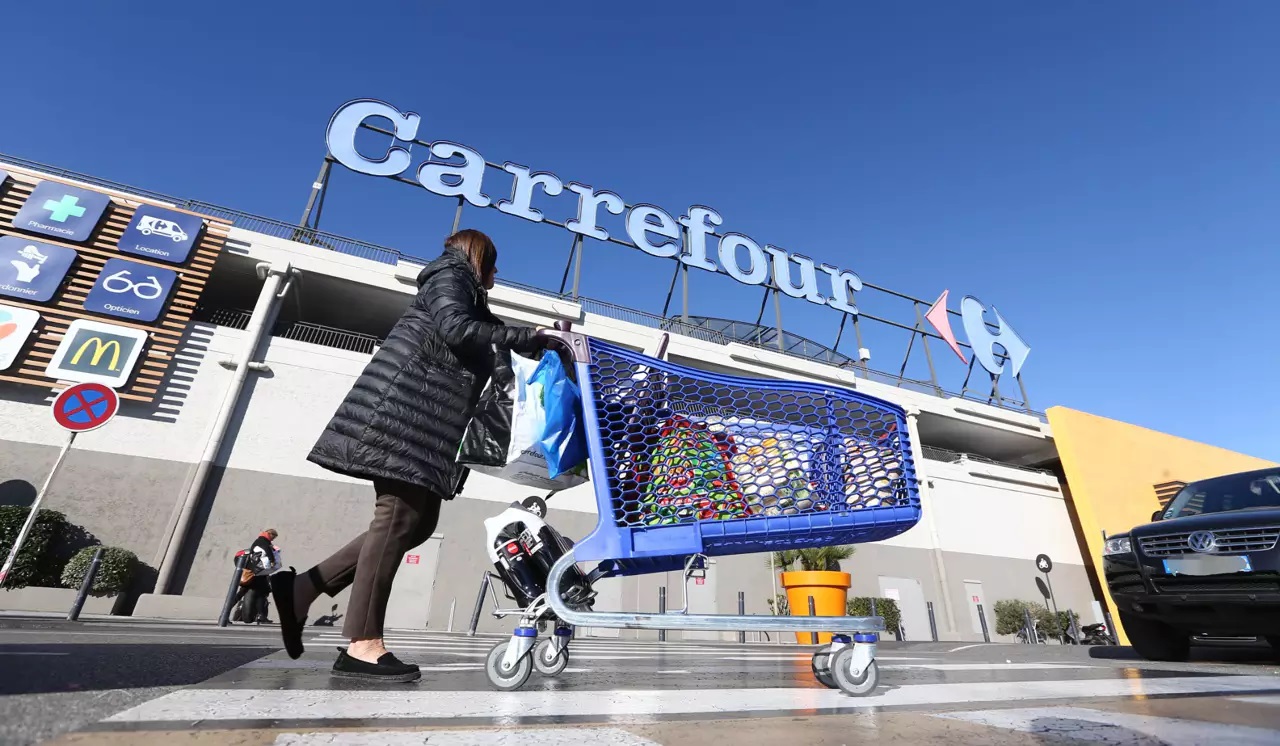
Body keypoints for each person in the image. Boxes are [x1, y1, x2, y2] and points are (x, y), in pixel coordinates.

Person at [271, 229, 545, 682]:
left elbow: (485, 336)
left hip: (425, 422)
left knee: (417, 524)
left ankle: (302, 589)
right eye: (493, 264)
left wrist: (535, 343)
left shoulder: (466, 291)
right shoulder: (450, 275)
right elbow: (458, 330)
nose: (496, 273)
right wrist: (530, 335)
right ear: (478, 256)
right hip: (405, 416)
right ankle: (362, 644)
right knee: (397, 518)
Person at [232, 529, 281, 623]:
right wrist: (272, 560)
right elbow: (266, 549)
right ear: (270, 534)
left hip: (257, 574)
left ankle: (261, 616)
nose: (273, 539)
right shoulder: (262, 541)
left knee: (261, 593)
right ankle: (225, 614)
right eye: (273, 537)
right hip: (255, 574)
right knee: (244, 593)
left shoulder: (261, 541)